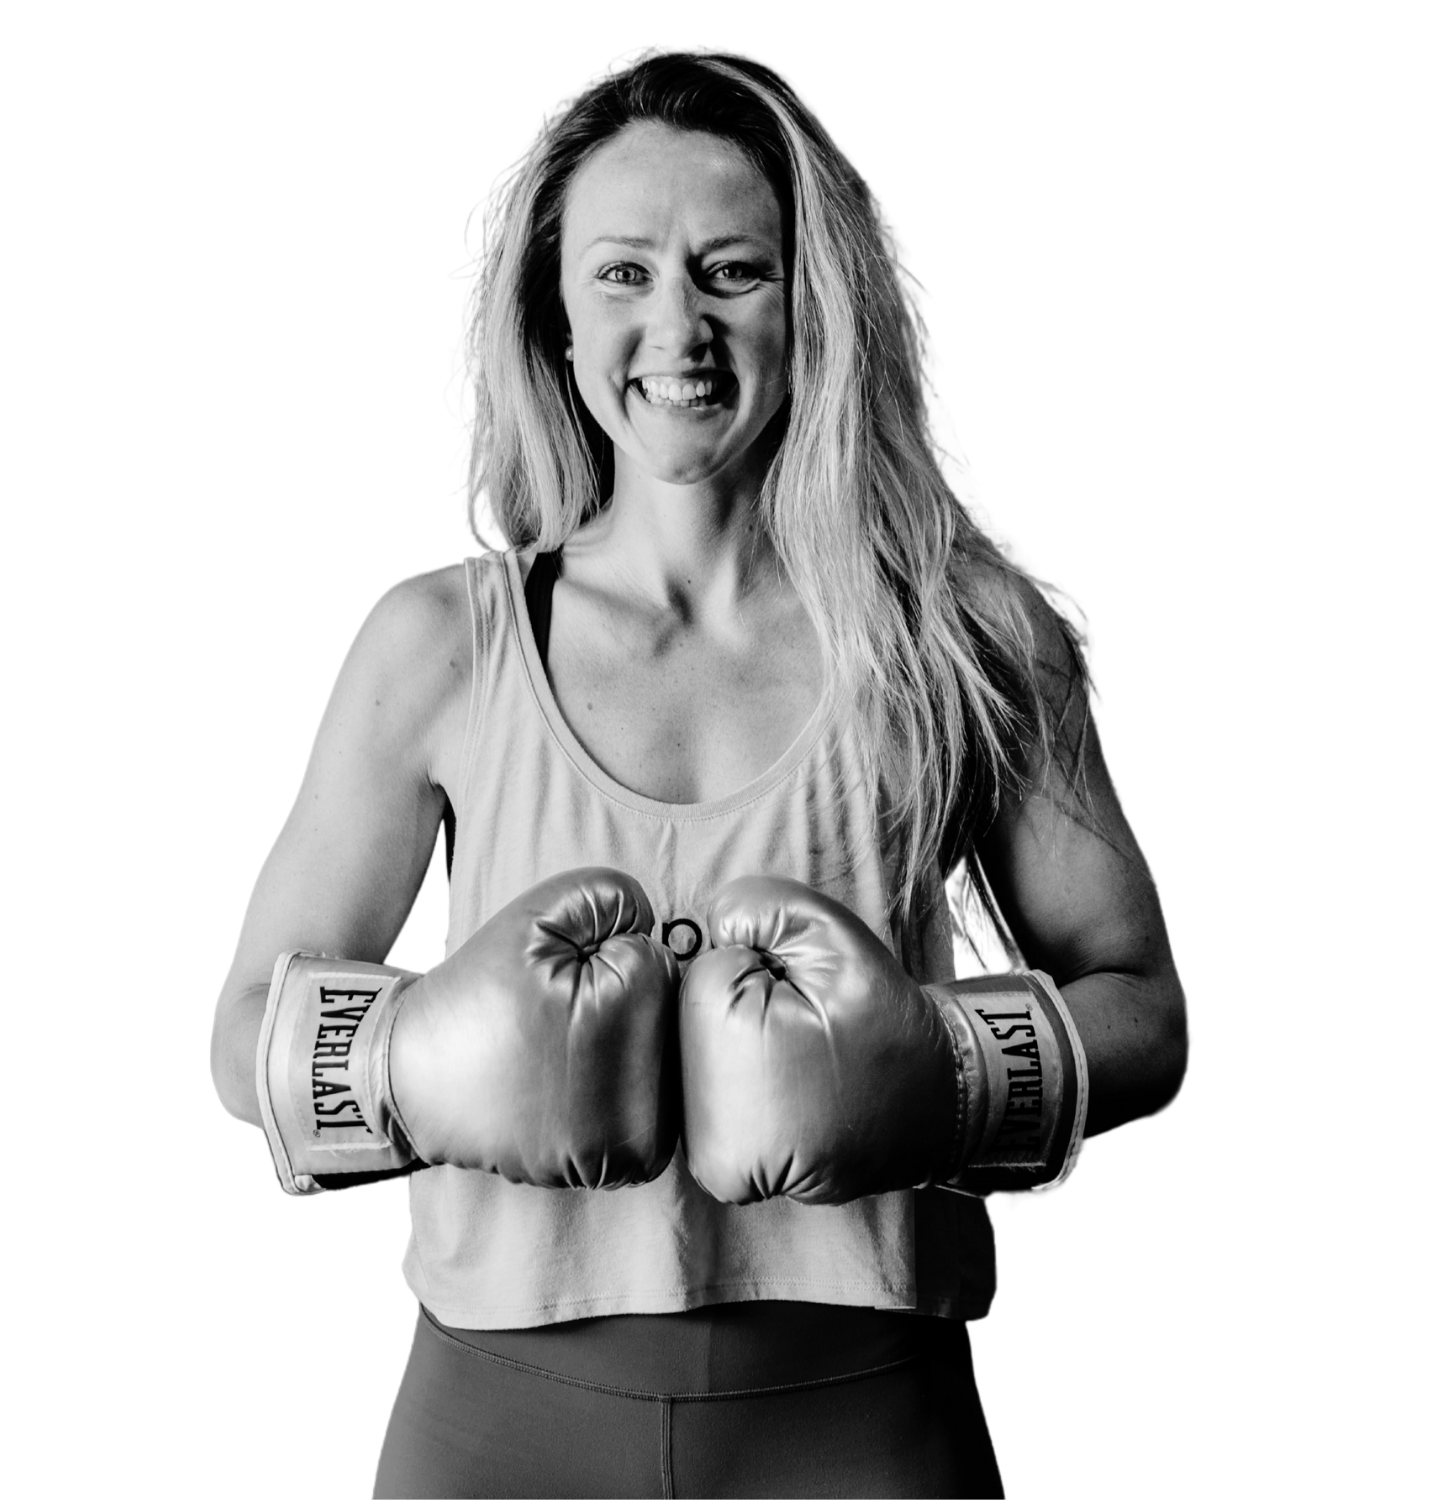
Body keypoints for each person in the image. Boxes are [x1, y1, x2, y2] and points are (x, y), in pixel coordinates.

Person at [209, 44, 1189, 1498]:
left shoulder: (975, 638)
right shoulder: (441, 642)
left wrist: (945, 1072)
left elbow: (1152, 1013)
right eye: (622, 273)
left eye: (733, 270)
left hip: (862, 1420)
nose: (680, 327)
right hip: (496, 1423)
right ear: (547, 313)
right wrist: (417, 1067)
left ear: (818, 305)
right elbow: (240, 1037)